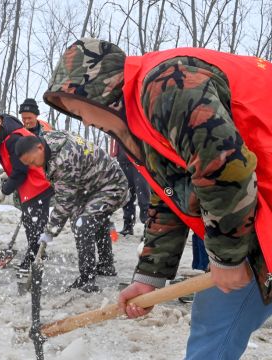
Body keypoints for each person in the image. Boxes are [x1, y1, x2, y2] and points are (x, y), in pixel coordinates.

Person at [47, 37, 272, 359]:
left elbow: (224, 168)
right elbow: (169, 194)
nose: (85, 122)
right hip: (255, 209)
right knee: (216, 314)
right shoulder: (139, 124)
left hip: (256, 203)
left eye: (77, 110)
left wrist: (228, 257)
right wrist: (149, 277)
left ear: (97, 93)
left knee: (220, 311)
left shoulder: (168, 86)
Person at [15, 132, 129, 292]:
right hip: (91, 186)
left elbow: (64, 203)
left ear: (40, 147)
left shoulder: (63, 161)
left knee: (82, 223)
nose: (34, 166)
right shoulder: (49, 140)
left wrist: (50, 232)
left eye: (33, 161)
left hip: (111, 186)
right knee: (95, 218)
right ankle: (106, 265)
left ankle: (86, 279)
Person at [0, 106, 53, 272]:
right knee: (31, 224)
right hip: (31, 185)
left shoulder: (13, 138)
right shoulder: (5, 135)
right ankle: (36, 255)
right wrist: (8, 171)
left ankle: (34, 260)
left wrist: (4, 191)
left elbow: (21, 171)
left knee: (35, 226)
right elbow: (17, 164)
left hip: (37, 185)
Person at [110, 139, 149, 235]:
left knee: (143, 197)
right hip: (123, 162)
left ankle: (148, 227)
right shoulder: (118, 125)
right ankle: (128, 225)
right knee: (127, 197)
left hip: (139, 163)